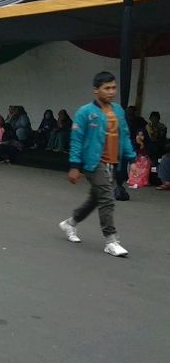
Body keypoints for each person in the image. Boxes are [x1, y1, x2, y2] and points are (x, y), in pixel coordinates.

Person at [59, 71, 137, 257]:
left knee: (96, 198)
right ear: (96, 90)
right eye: (106, 88)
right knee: (107, 198)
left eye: (113, 88)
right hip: (93, 163)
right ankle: (111, 240)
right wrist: (75, 166)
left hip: (113, 162)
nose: (111, 92)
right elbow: (76, 140)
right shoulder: (85, 112)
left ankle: (70, 223)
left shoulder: (118, 111)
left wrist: (132, 159)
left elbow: (124, 135)